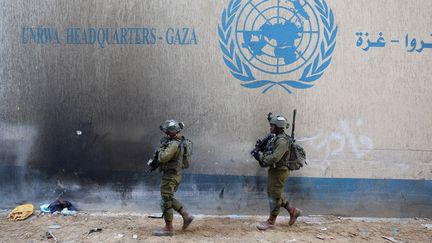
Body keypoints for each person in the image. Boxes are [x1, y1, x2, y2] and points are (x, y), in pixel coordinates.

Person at [251, 113, 301, 230]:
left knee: (274, 195)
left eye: (272, 125)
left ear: (278, 127)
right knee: (274, 193)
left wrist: (261, 157)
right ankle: (293, 211)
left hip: (280, 171)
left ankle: (271, 221)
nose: (270, 127)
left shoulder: (282, 141)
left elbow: (275, 158)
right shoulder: (276, 137)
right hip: (275, 170)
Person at [151, 119, 194, 236]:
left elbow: (163, 158)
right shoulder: (181, 142)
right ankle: (186, 215)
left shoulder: (173, 144)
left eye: (166, 132)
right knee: (168, 197)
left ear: (170, 132)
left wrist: (159, 151)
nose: (165, 134)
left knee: (166, 200)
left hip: (170, 175)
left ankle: (169, 228)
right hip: (175, 174)